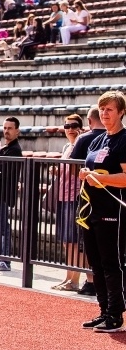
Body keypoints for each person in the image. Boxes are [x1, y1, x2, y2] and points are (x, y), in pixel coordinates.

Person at [77, 91, 126, 332]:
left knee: (111, 263)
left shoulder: (124, 140)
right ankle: (104, 310)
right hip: (91, 210)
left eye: (110, 110)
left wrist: (103, 180)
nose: (105, 114)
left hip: (114, 211)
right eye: (102, 109)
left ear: (121, 112)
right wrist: (86, 174)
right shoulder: (98, 140)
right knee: (96, 263)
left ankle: (116, 315)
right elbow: (89, 166)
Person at [49, 113, 91, 292]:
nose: (70, 130)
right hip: (63, 195)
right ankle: (69, 277)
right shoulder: (67, 146)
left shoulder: (80, 145)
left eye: (74, 126)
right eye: (67, 127)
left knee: (73, 241)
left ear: (81, 128)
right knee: (67, 241)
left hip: (74, 196)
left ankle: (74, 279)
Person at [70, 106, 105, 296]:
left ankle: (92, 282)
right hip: (95, 199)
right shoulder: (100, 139)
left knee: (92, 244)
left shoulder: (85, 139)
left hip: (90, 198)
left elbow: (74, 168)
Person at [0, 117, 23, 272]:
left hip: (3, 193)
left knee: (2, 227)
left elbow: (5, 172)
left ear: (17, 131)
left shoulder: (14, 150)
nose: (6, 131)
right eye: (5, 127)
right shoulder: (5, 148)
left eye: (10, 128)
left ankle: (5, 260)